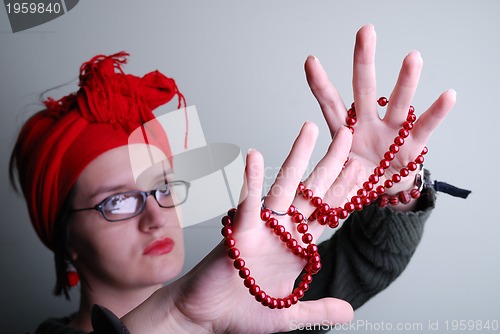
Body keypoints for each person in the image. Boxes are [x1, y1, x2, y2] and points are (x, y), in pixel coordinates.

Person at [9, 24, 457, 334]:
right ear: (66, 237)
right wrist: (179, 321)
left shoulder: (255, 298)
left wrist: (394, 186)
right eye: (117, 202)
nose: (154, 217)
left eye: (163, 188)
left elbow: (366, 261)